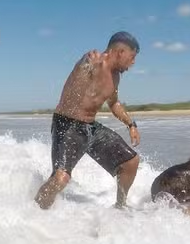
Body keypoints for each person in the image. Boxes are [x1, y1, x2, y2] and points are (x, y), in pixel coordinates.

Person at [35, 31, 142, 210]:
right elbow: (81, 71)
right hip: (67, 125)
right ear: (120, 52)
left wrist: (131, 124)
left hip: (90, 128)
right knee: (61, 178)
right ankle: (34, 211)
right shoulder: (92, 61)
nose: (133, 62)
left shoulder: (115, 77)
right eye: (132, 57)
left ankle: (120, 207)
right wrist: (87, 64)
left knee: (131, 162)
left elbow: (114, 103)